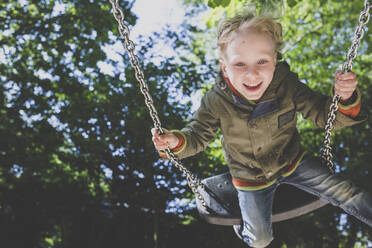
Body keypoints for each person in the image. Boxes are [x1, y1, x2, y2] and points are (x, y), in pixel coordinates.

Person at [151, 12, 372, 247]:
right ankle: (243, 228)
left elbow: (324, 116)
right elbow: (197, 136)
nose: (252, 73)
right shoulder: (216, 101)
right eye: (239, 64)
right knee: (260, 240)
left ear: (274, 60)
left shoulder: (287, 86)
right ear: (224, 68)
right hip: (250, 178)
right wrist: (175, 142)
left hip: (293, 162)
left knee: (349, 193)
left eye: (262, 61)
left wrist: (345, 98)